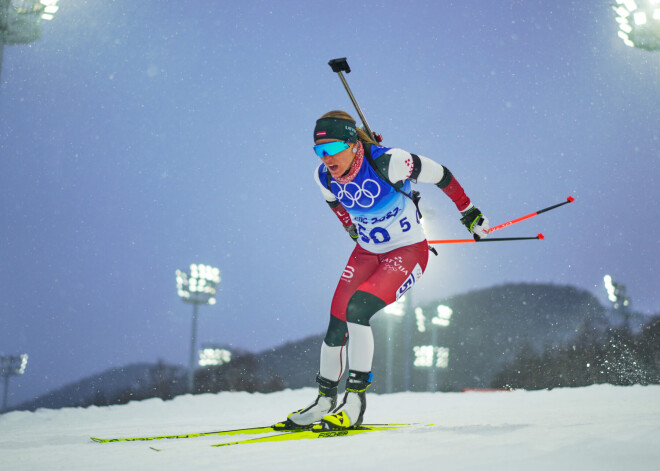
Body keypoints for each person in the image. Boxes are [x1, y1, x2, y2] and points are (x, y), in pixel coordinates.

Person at [276, 110, 489, 431]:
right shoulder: (323, 176)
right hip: (366, 253)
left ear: (351, 143)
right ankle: (323, 402)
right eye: (319, 151)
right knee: (336, 325)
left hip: (406, 253)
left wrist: (469, 210)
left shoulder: (390, 162)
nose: (326, 158)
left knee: (358, 309)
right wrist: (354, 230)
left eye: (332, 149)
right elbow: (338, 207)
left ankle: (356, 402)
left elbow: (441, 174)